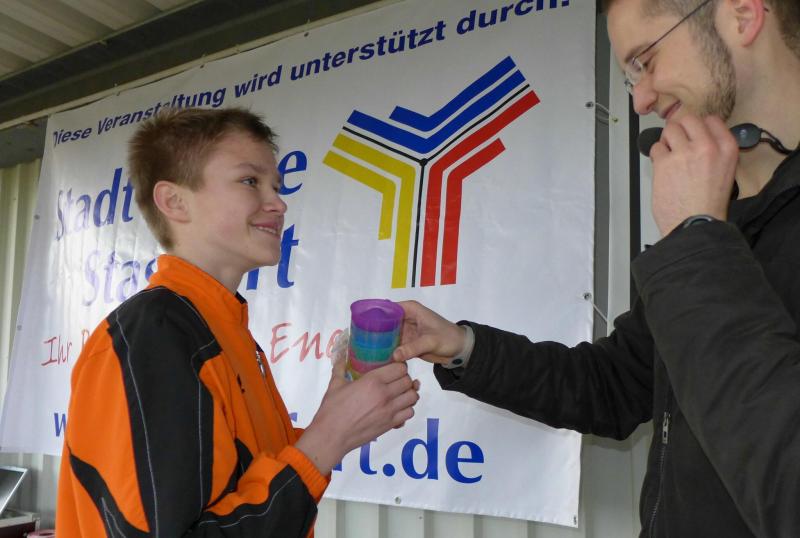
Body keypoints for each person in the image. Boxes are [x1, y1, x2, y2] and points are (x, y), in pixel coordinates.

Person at [392, 0, 800, 536]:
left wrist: (696, 238)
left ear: (743, 15)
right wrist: (461, 345)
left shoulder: (701, 234)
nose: (640, 100)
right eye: (631, 76)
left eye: (646, 60)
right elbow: (615, 384)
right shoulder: (717, 219)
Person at [56, 107, 420, 537]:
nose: (278, 203)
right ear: (174, 202)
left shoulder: (220, 328)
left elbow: (242, 486)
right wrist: (330, 437)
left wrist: (335, 413)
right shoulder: (154, 332)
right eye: (250, 181)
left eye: (276, 186)